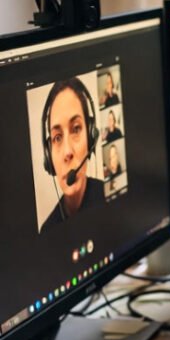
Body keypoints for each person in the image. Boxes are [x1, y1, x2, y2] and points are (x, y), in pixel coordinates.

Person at [40, 77, 105, 232]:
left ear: (91, 137)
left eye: (76, 129)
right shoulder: (48, 231)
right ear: (49, 157)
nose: (67, 152)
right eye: (57, 137)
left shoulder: (110, 198)